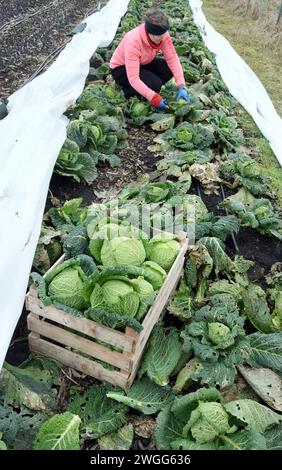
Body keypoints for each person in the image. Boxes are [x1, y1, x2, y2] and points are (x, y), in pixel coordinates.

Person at [110, 8, 191, 111]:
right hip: (121, 69)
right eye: (156, 35)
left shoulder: (163, 35)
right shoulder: (133, 41)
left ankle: (147, 85)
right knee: (155, 84)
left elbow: (172, 58)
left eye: (162, 34)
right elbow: (134, 79)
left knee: (168, 69)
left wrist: (181, 86)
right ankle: (126, 90)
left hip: (142, 62)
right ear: (148, 32)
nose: (160, 38)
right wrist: (153, 97)